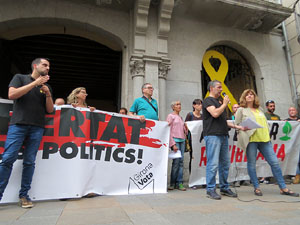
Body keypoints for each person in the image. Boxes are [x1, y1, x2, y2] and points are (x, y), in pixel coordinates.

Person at [0, 58, 54, 208]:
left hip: (37, 127)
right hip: (18, 125)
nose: (48, 67)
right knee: (8, 159)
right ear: (35, 66)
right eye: (45, 65)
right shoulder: (20, 78)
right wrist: (34, 84)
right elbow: (12, 95)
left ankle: (24, 196)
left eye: (49, 66)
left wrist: (48, 94)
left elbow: (50, 110)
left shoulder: (46, 87)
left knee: (29, 162)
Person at [235, 89, 299, 197]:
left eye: (252, 94)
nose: (250, 96)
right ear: (244, 97)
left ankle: (283, 188)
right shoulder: (241, 110)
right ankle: (256, 187)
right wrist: (243, 129)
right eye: (247, 95)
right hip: (251, 140)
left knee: (274, 162)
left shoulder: (259, 109)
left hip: (265, 139)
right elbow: (237, 125)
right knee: (251, 164)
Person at [203, 80, 245, 200]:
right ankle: (210, 189)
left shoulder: (219, 102)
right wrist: (225, 104)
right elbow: (215, 114)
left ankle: (224, 187)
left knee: (225, 163)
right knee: (213, 163)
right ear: (211, 88)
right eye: (219, 87)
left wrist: (238, 126)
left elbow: (223, 121)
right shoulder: (208, 101)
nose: (221, 89)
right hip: (213, 135)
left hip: (223, 135)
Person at [167, 101, 188, 191]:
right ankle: (172, 183)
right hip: (175, 140)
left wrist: (186, 128)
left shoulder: (181, 117)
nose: (179, 106)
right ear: (173, 107)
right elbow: (168, 130)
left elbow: (185, 132)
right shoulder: (170, 116)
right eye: (177, 104)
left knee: (181, 162)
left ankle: (179, 183)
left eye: (180, 104)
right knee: (176, 163)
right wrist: (172, 144)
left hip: (182, 140)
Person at [185, 99, 202, 175]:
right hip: (192, 140)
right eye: (198, 104)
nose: (200, 106)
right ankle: (192, 177)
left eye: (201, 104)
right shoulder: (190, 115)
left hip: (201, 140)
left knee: (201, 158)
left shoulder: (203, 116)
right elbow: (186, 125)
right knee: (193, 158)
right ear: (194, 105)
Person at [284, 106, 300, 184]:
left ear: (296, 111)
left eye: (293, 110)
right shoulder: (286, 121)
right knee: (295, 159)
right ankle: (296, 175)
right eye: (290, 110)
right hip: (292, 144)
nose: (292, 111)